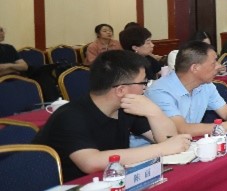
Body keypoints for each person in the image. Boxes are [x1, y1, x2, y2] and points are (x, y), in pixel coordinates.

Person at [32, 50, 192, 182]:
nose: (146, 88)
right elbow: (91, 162)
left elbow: (170, 140)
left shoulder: (127, 107)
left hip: (109, 183)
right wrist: (160, 149)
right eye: (143, 83)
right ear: (121, 90)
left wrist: (154, 112)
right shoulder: (70, 116)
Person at [146, 41, 227, 136]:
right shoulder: (160, 92)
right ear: (195, 68)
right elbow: (181, 129)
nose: (219, 66)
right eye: (213, 63)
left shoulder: (206, 85)